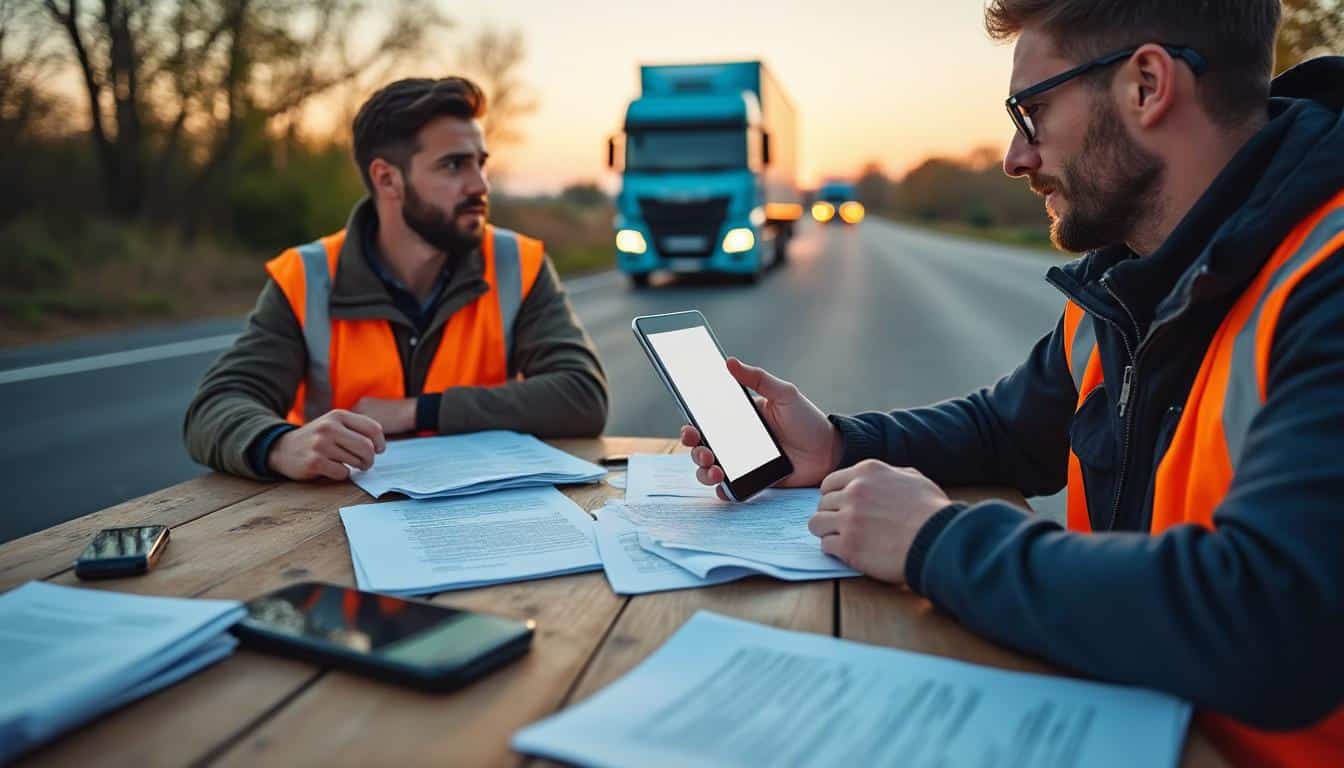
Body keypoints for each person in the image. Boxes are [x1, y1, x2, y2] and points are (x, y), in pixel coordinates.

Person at [682, 2, 1344, 764]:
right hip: (1120, 718)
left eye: (1032, 112)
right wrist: (837, 442)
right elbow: (1006, 429)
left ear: (1147, 85)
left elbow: (1270, 621)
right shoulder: (1131, 280)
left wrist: (936, 541)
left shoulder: (1324, 279)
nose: (1014, 158)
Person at [185, 77, 608, 481]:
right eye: (453, 165)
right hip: (328, 517)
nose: (479, 184)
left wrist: (417, 411)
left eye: (480, 163)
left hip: (485, 510)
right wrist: (280, 445)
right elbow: (215, 407)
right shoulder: (308, 275)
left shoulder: (517, 262)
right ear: (387, 179)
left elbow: (581, 395)